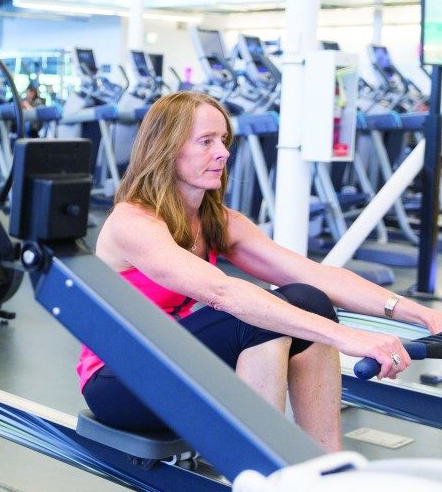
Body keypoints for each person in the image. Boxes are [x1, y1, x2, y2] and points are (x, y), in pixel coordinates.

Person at [84, 91, 442, 451]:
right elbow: (221, 293)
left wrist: (420, 313)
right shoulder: (133, 221)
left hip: (174, 363)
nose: (222, 153)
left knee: (308, 298)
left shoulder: (216, 221)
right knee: (253, 319)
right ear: (166, 149)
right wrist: (344, 336)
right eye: (206, 142)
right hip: (120, 381)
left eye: (222, 140)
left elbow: (314, 275)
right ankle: (262, 474)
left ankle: (324, 464)